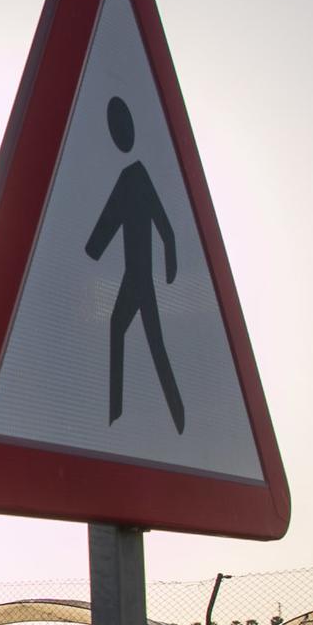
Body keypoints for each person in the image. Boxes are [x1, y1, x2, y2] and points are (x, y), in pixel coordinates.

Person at [84, 95, 185, 433]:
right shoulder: (130, 180)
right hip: (134, 275)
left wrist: (171, 269)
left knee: (154, 343)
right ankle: (116, 416)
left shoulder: (135, 178)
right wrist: (92, 250)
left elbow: (166, 228)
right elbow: (108, 224)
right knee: (123, 331)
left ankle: (176, 417)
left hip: (141, 277)